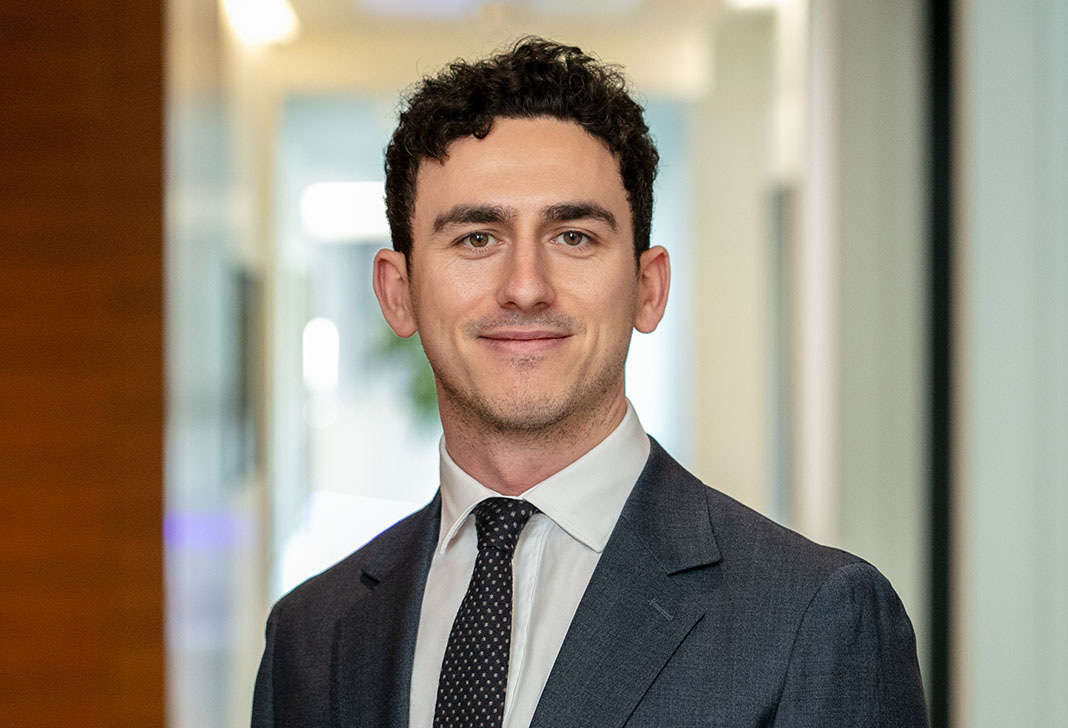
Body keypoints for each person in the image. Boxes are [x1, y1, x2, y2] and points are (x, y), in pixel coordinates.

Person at [252, 37, 928, 728]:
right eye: (477, 238)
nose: (525, 287)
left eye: (573, 236)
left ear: (648, 288)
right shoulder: (310, 636)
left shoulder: (813, 620)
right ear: (397, 294)